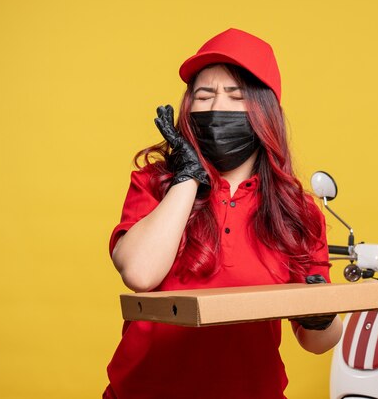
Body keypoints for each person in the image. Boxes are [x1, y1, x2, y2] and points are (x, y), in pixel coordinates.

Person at [103, 28, 343, 399]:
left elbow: (317, 342)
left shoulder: (298, 211)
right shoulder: (154, 183)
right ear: (189, 108)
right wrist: (187, 178)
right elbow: (139, 272)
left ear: (265, 111)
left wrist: (321, 314)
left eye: (236, 96)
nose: (218, 107)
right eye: (204, 95)